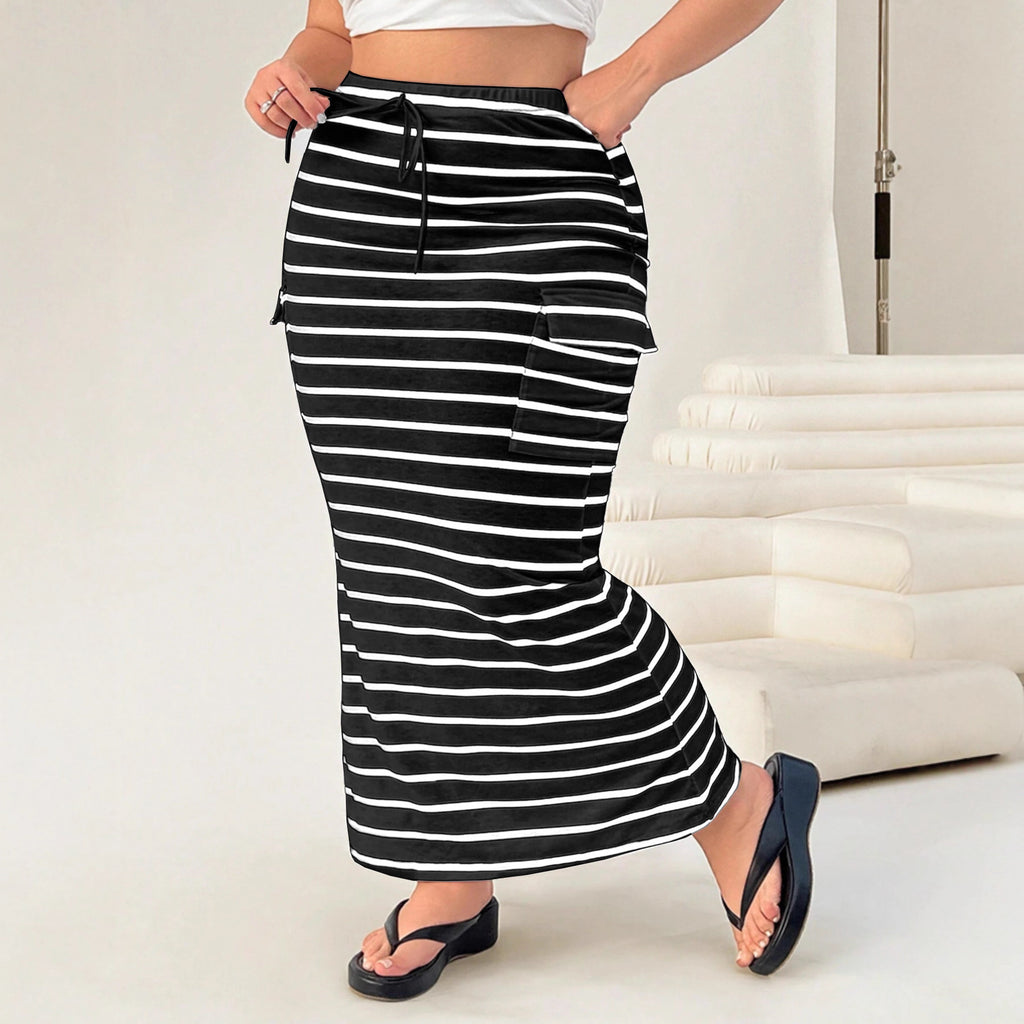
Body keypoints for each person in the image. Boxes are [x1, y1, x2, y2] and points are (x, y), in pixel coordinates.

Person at [244, 0, 821, 999]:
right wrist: (295, 70)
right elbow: (333, 26)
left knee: (527, 561)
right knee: (395, 561)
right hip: (357, 195)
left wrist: (633, 76)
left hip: (538, 184)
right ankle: (452, 860)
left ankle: (736, 801)